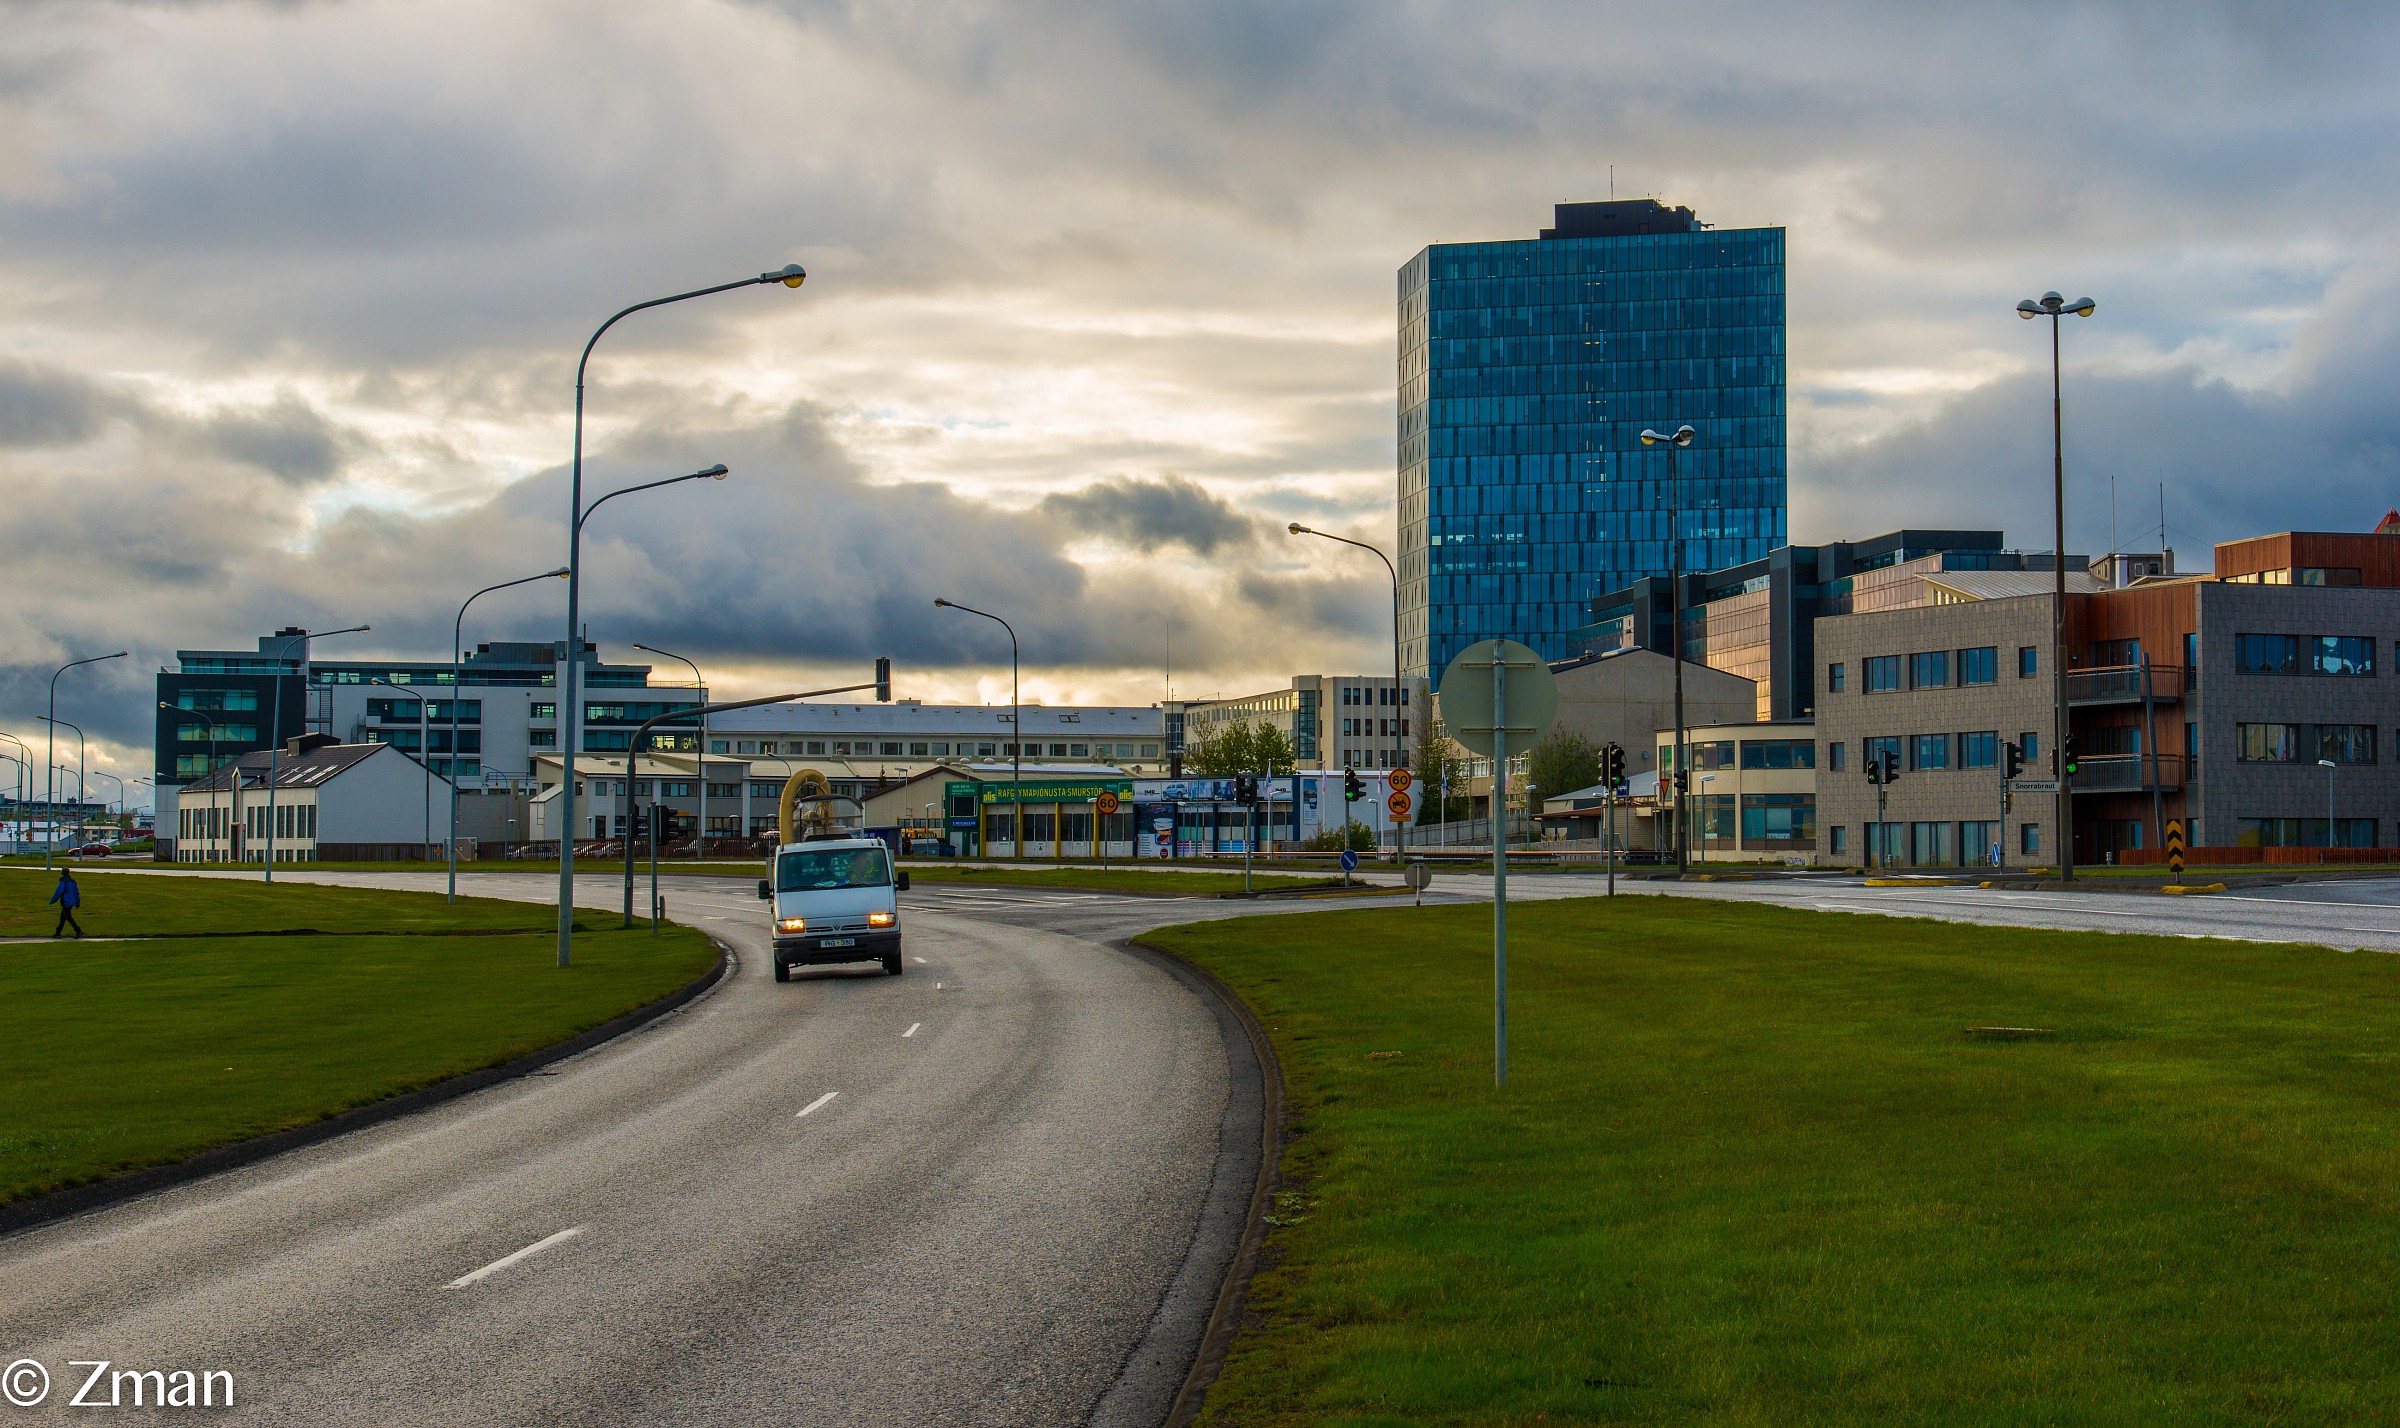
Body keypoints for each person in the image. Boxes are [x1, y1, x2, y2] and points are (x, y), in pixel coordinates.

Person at [49, 868, 83, 939]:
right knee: (63, 918)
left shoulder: (63, 882)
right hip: (72, 902)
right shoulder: (73, 882)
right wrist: (77, 902)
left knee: (68, 917)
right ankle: (58, 932)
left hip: (66, 902)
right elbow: (77, 893)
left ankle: (78, 930)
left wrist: (52, 901)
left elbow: (58, 892)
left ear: (62, 873)